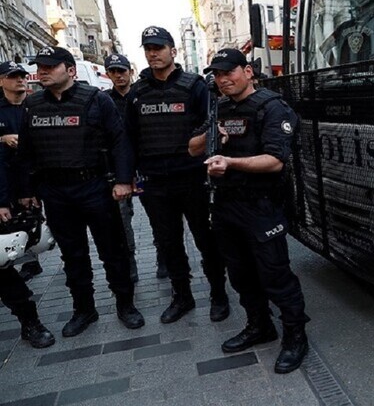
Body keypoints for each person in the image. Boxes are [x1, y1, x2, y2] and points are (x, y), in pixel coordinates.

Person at [189, 49, 310, 374]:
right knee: (240, 274)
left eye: (228, 72)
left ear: (248, 71)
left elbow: (275, 160)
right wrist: (212, 136)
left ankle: (296, 336)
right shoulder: (220, 107)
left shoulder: (272, 107)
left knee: (275, 275)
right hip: (226, 206)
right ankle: (259, 325)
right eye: (217, 74)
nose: (222, 79)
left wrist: (229, 161)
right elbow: (191, 147)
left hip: (261, 206)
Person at [16, 46, 144, 337]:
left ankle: (125, 305)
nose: (42, 71)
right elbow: (26, 151)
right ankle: (84, 309)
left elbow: (119, 142)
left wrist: (123, 181)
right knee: (73, 256)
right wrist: (26, 190)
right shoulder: (33, 105)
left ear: (71, 70)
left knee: (112, 251)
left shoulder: (97, 100)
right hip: (55, 191)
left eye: (50, 66)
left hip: (94, 187)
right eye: (40, 67)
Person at [126, 26, 229, 324]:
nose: (153, 53)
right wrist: (127, 175)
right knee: (168, 243)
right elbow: (129, 137)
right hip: (155, 181)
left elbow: (210, 126)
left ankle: (218, 294)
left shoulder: (194, 86)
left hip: (192, 178)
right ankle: (182, 296)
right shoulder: (137, 92)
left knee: (206, 240)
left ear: (173, 51)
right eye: (148, 49)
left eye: (158, 47)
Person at [0, 61, 43, 281]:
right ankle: (22, 262)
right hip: (8, 177)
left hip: (37, 176)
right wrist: (2, 139)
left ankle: (35, 260)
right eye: (13, 76)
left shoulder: (36, 105)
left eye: (23, 76)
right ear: (1, 81)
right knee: (15, 223)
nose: (20, 80)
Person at [104, 53, 139, 283]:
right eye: (113, 72)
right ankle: (130, 261)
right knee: (122, 217)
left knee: (160, 218)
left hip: (145, 164)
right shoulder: (104, 100)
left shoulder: (141, 95)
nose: (118, 76)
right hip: (118, 168)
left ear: (130, 72)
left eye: (122, 71)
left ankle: (164, 256)